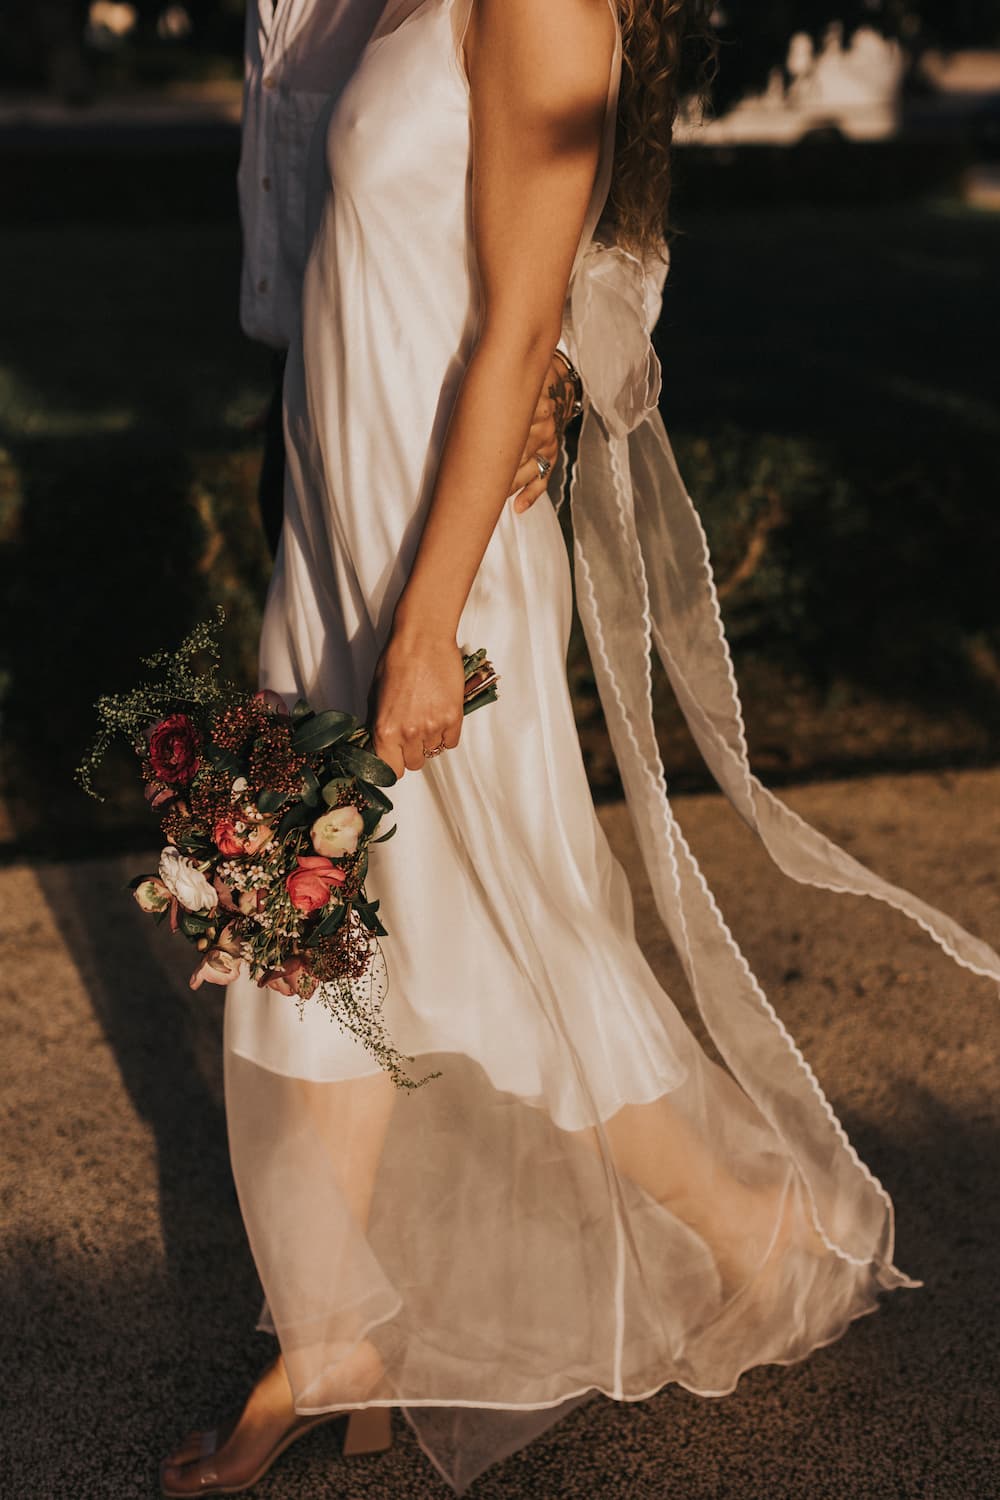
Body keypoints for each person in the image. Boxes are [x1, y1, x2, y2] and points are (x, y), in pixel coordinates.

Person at [160, 1, 1000, 1495]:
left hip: (444, 555)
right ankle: (329, 1332)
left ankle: (764, 1233)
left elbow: (517, 329)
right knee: (322, 919)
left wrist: (424, 626)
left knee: (507, 935)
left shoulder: (545, 4)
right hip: (347, 521)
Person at [237, 0, 577, 557]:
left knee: (430, 639)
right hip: (302, 404)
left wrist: (555, 368)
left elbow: (606, 203)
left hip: (438, 429)